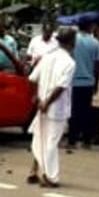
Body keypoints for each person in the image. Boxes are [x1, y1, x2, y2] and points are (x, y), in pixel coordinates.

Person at [28, 29, 77, 187]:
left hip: (43, 106)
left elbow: (32, 78)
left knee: (41, 138)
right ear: (71, 43)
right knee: (51, 142)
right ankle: (50, 176)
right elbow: (61, 87)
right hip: (56, 108)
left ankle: (38, 171)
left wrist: (38, 98)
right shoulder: (69, 62)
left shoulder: (47, 58)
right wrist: (47, 102)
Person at [69, 21, 99, 149]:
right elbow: (97, 65)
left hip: (74, 81)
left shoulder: (73, 40)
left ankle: (72, 140)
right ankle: (86, 141)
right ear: (89, 27)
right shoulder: (95, 43)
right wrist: (96, 80)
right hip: (89, 81)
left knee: (73, 111)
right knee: (87, 111)